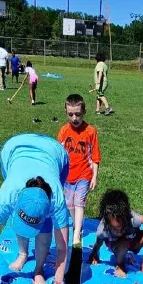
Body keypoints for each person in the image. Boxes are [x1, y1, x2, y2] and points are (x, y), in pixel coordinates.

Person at [0, 134, 70, 284]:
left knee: (46, 226)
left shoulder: (57, 201)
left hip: (55, 152)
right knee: (23, 217)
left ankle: (38, 269)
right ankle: (23, 254)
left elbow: (62, 247)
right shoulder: (8, 195)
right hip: (14, 148)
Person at [88, 189, 143, 277]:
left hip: (133, 241)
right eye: (115, 228)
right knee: (123, 243)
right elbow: (98, 243)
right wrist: (94, 254)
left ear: (126, 215)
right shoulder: (103, 229)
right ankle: (120, 265)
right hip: (116, 246)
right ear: (107, 221)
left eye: (122, 225)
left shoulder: (132, 218)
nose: (119, 230)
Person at [57, 94, 101, 246]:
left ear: (84, 112)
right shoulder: (63, 131)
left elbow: (95, 156)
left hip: (84, 174)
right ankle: (77, 223)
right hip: (67, 175)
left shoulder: (91, 131)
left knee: (79, 202)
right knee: (69, 204)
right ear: (66, 112)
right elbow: (58, 154)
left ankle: (76, 233)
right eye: (70, 114)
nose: (74, 118)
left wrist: (94, 176)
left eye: (78, 114)